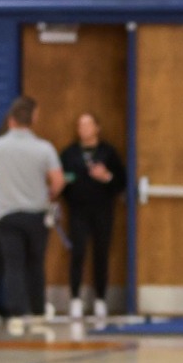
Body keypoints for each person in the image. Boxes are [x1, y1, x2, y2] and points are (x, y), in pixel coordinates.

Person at [0, 96, 62, 335]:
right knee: (35, 264)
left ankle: (16, 315)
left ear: (11, 119)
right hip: (36, 214)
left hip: (7, 215)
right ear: (33, 119)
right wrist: (48, 194)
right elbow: (57, 180)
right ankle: (37, 313)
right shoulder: (44, 148)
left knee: (13, 264)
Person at [59, 112, 126, 321]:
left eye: (88, 125)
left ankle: (100, 299)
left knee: (101, 253)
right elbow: (61, 181)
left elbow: (121, 182)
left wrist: (106, 177)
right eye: (80, 125)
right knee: (77, 253)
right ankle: (76, 299)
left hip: (103, 209)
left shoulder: (108, 152)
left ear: (97, 127)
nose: (84, 129)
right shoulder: (70, 153)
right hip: (78, 210)